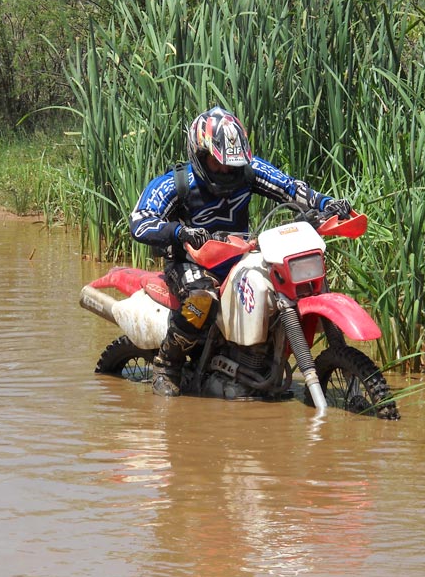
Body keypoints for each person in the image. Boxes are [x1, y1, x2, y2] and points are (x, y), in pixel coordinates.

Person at [129, 106, 353, 396]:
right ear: (199, 155)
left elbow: (289, 188)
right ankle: (167, 365)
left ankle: (262, 359)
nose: (225, 171)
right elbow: (140, 221)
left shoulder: (249, 172)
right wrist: (179, 232)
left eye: (231, 165)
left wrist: (326, 203)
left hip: (239, 256)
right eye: (217, 163)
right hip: (190, 263)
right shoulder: (176, 184)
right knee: (202, 296)